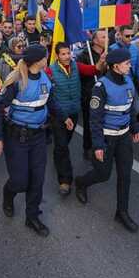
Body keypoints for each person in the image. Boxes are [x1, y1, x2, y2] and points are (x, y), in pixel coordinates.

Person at [0, 45, 73, 236]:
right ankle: (8, 194)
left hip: (38, 137)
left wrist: (63, 117)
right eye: (45, 56)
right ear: (39, 60)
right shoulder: (16, 80)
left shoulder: (45, 77)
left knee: (37, 180)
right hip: (16, 137)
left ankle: (32, 217)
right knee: (20, 181)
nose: (48, 59)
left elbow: (50, 101)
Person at [75, 48, 139, 233]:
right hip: (106, 137)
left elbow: (130, 108)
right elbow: (94, 120)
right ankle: (81, 182)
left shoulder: (129, 81)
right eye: (127, 63)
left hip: (124, 137)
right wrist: (98, 145)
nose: (130, 65)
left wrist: (134, 127)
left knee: (125, 175)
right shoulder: (101, 87)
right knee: (103, 174)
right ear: (115, 66)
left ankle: (122, 212)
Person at [44, 42, 104, 196]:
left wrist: (101, 61)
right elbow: (48, 95)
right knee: (62, 145)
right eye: (63, 54)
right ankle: (65, 181)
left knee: (63, 145)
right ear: (57, 56)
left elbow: (93, 70)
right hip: (58, 115)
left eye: (68, 53)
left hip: (74, 112)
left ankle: (58, 157)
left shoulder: (76, 66)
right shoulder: (50, 71)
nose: (66, 56)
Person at [77, 30, 108, 159]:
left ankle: (102, 146)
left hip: (106, 94)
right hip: (89, 94)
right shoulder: (84, 55)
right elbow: (82, 74)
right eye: (103, 37)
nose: (107, 39)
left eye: (107, 36)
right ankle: (88, 147)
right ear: (95, 40)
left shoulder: (109, 53)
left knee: (104, 122)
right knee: (90, 123)